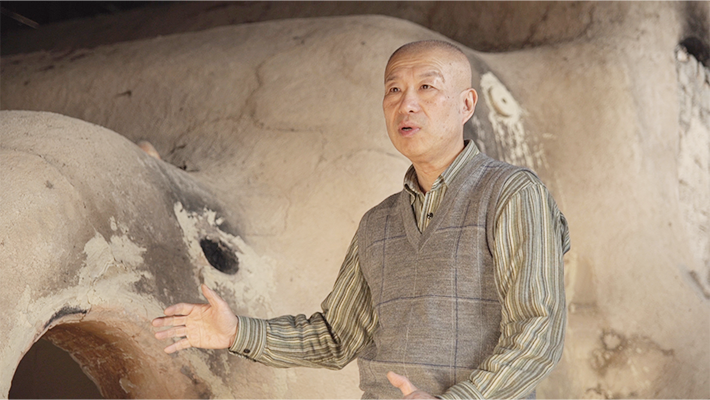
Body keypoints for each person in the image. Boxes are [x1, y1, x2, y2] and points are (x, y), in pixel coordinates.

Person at [152, 40, 570, 400]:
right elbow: (335, 337)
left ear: (466, 104)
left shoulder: (512, 193)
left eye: (427, 87)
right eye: (394, 89)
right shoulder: (378, 223)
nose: (406, 103)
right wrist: (236, 332)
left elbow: (539, 331)